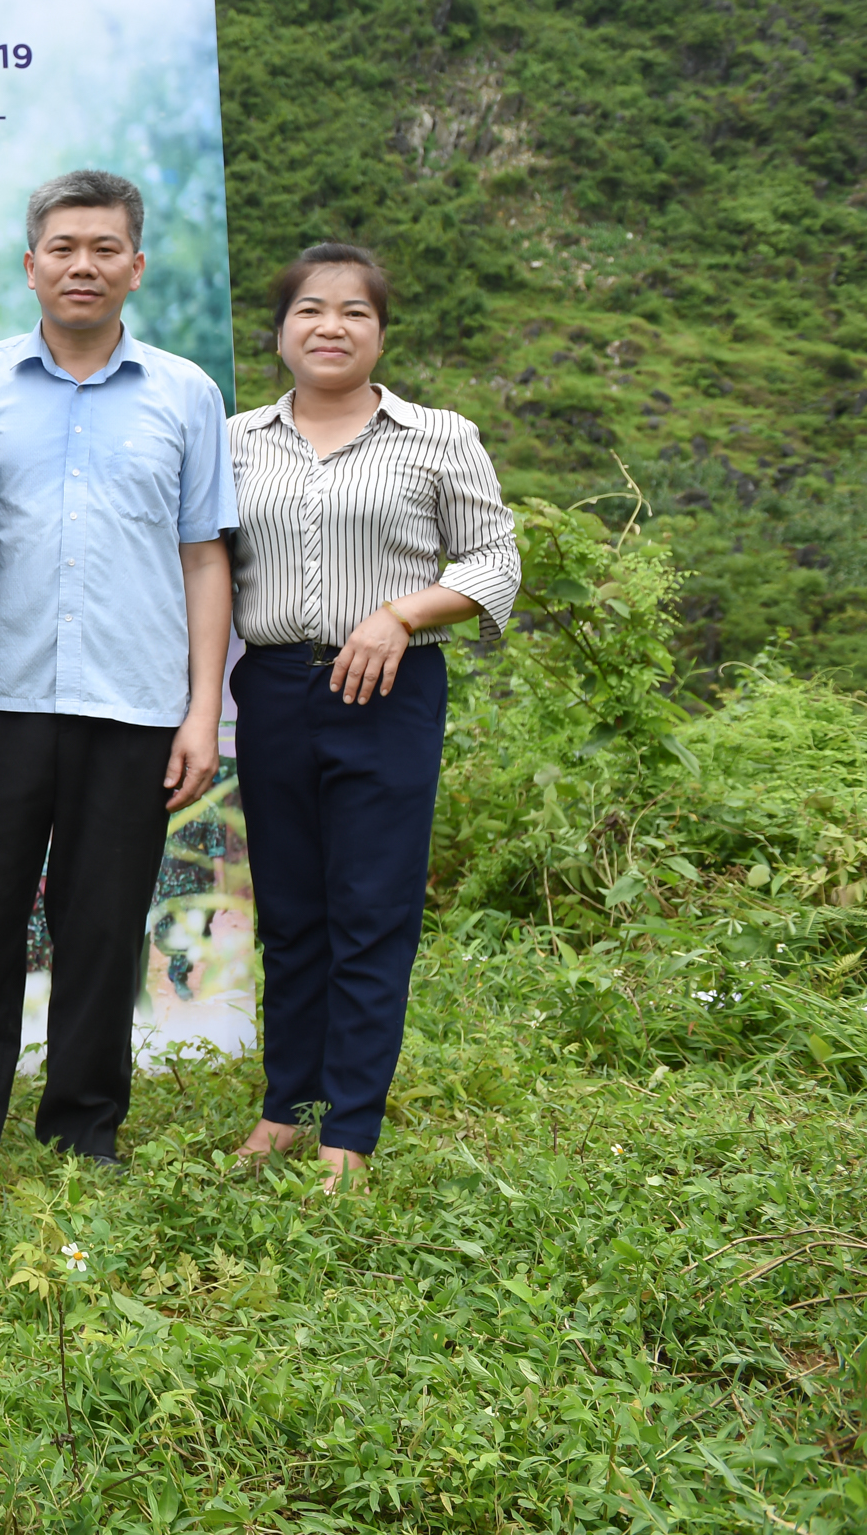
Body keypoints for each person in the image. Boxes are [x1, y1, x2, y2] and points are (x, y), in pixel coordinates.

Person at [0, 170, 237, 1170]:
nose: (83, 265)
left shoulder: (185, 394)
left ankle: (84, 1130)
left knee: (101, 929)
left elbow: (202, 557)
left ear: (136, 267)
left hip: (134, 708)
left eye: (105, 248)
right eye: (63, 248)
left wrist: (202, 714)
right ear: (30, 266)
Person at [226, 243, 517, 1189]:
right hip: (271, 689)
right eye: (310, 309)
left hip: (390, 695)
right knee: (291, 909)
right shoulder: (235, 443)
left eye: (354, 311)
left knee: (370, 909)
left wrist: (399, 613)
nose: (331, 327)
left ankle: (348, 1127)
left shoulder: (438, 435)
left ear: (381, 332)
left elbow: (495, 563)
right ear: (280, 332)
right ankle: (287, 1105)